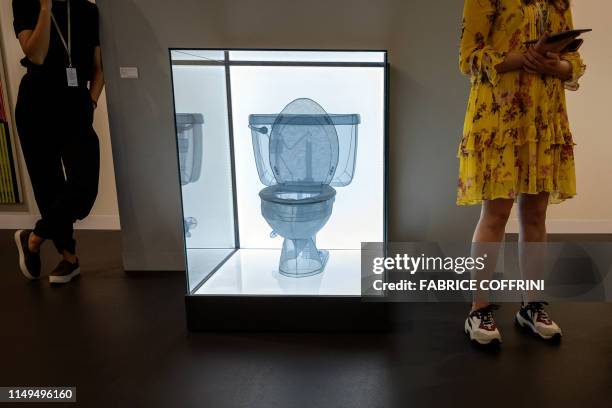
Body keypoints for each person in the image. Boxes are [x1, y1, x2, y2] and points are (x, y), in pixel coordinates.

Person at [457, 0, 585, 345]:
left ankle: (531, 306)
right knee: (496, 214)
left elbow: (573, 63)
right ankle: (478, 309)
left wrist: (554, 63)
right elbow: (469, 57)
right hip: (499, 116)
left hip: (543, 117)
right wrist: (519, 59)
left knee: (535, 216)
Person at [12, 0, 104, 284]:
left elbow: (99, 65)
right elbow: (36, 55)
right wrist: (44, 9)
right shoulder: (25, 3)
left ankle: (35, 237)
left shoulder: (88, 10)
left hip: (76, 103)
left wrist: (91, 102)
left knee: (84, 185)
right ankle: (69, 258)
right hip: (36, 104)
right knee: (48, 185)